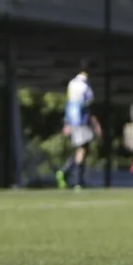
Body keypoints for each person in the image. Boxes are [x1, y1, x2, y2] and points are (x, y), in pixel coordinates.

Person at [60, 59, 101, 190]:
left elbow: (69, 103)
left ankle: (71, 175)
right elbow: (88, 106)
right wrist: (96, 124)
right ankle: (74, 177)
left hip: (73, 120)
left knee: (82, 149)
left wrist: (67, 122)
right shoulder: (85, 86)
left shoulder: (72, 83)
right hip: (82, 120)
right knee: (83, 149)